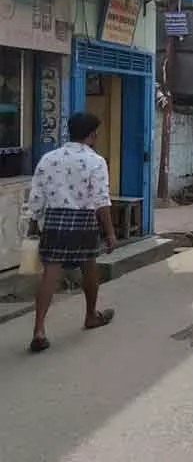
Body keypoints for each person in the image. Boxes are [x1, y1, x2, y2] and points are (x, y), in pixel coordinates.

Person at [25, 112, 116, 353]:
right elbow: (101, 201)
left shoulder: (48, 159)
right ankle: (90, 315)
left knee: (49, 275)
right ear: (92, 135)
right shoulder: (96, 161)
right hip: (84, 220)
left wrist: (33, 225)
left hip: (55, 220)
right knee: (89, 268)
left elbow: (36, 196)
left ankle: (39, 330)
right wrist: (110, 233)